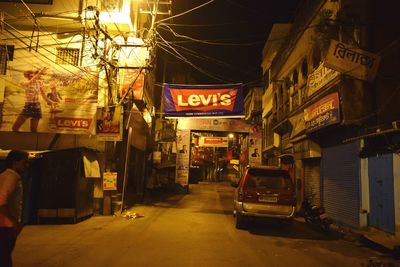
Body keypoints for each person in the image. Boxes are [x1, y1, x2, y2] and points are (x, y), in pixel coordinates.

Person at [0, 150, 29, 267]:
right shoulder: (12, 177)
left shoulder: (3, 175)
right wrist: (14, 222)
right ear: (14, 162)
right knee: (5, 258)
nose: (26, 166)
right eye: (24, 163)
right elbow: (1, 202)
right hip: (6, 227)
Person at [12, 67, 54, 132]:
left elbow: (43, 95)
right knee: (15, 128)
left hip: (37, 106)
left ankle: (31, 141)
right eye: (30, 75)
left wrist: (51, 102)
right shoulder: (24, 82)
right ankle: (17, 140)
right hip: (28, 106)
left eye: (33, 74)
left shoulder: (39, 83)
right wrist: (40, 72)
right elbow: (31, 82)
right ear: (26, 76)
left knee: (34, 130)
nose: (32, 76)